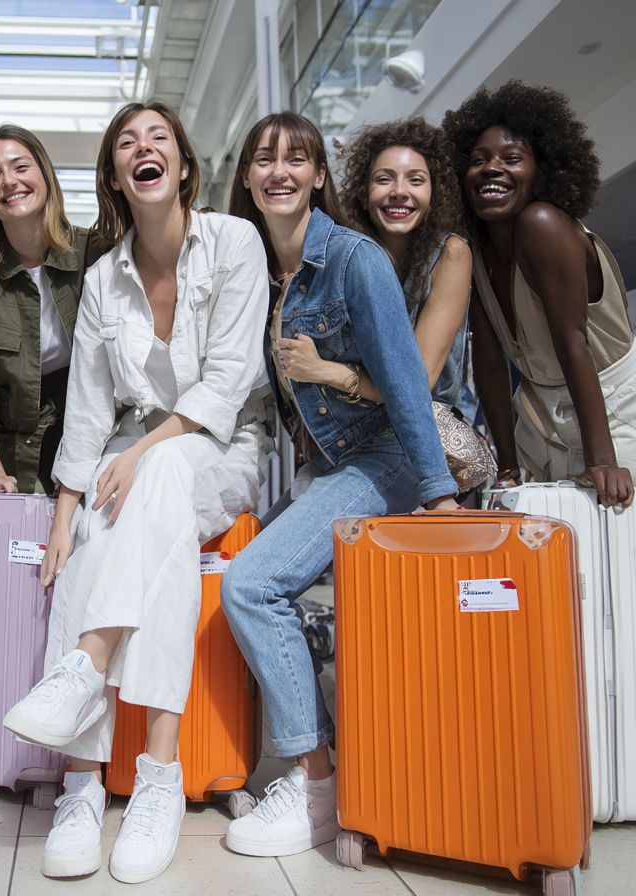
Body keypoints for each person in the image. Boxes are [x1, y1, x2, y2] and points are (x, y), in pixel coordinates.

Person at [0, 100, 271, 884]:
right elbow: (86, 410)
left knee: (155, 477)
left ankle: (95, 688)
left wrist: (145, 449)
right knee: (94, 532)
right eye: (127, 143)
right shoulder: (103, 280)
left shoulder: (234, 242)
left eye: (159, 139)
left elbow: (229, 380)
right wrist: (63, 514)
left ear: (183, 164)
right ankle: (95, 786)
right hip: (134, 453)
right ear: (117, 177)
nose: (143, 149)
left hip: (218, 444)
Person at [219, 111, 458, 858]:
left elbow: (407, 386)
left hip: (382, 458)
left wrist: (438, 493)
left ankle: (314, 785)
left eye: (297, 160)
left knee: (252, 585)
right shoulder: (263, 269)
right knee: (253, 577)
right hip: (332, 467)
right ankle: (312, 761)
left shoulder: (355, 260)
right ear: (250, 180)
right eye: (265, 160)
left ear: (319, 176)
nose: (280, 172)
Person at [442, 81, 636, 507]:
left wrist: (602, 457)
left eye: (512, 159)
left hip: (614, 403)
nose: (491, 169)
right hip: (540, 408)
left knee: (609, 531)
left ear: (544, 170)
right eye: (478, 160)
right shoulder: (474, 247)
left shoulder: (544, 224)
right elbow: (489, 361)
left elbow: (572, 339)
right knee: (549, 548)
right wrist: (505, 463)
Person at [0, 125, 100, 493]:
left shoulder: (95, 252)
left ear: (45, 176)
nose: (9, 181)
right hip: (9, 441)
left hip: (86, 429)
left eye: (20, 167)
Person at [338, 116, 473, 421]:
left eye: (415, 180)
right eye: (384, 179)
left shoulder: (451, 254)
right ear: (363, 191)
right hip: (356, 425)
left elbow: (417, 383)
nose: (399, 191)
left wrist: (329, 373)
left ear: (434, 192)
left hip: (428, 425)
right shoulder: (347, 256)